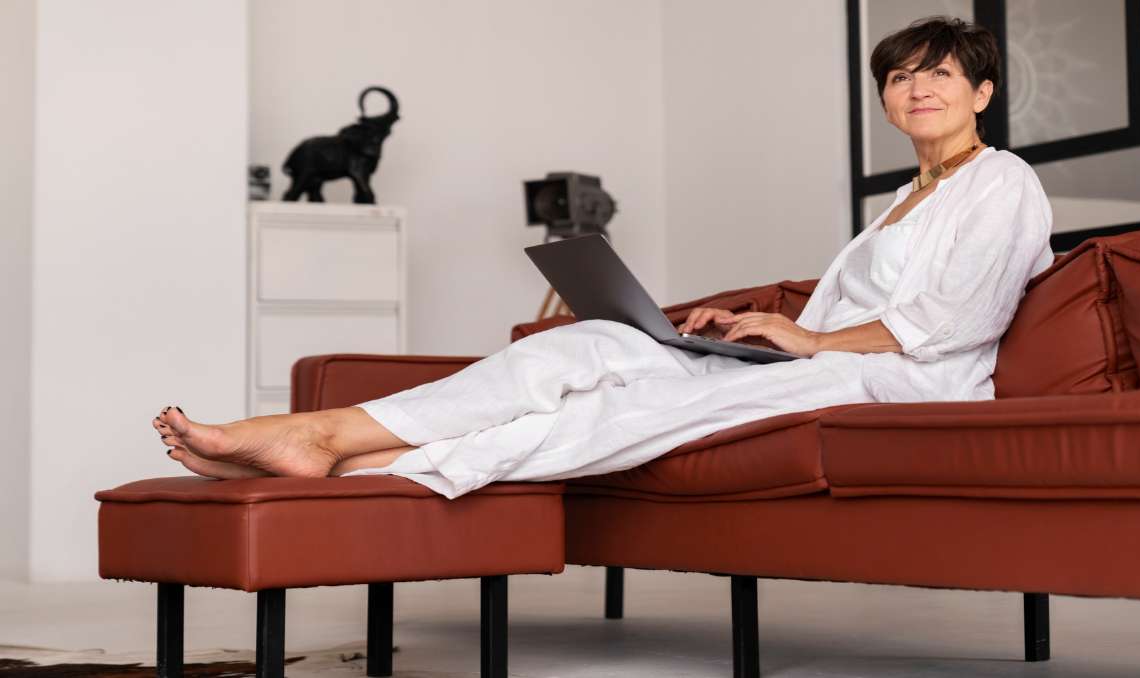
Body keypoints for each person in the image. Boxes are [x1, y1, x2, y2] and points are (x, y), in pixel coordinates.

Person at [153, 16, 1053, 499]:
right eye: (901, 76)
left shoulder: (1001, 183)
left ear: (981, 92)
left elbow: (951, 326)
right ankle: (333, 435)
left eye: (940, 73)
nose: (918, 87)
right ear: (887, 103)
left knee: (638, 396)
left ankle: (356, 465)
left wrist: (811, 345)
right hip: (829, 364)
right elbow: (834, 320)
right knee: (580, 348)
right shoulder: (901, 201)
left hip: (909, 385)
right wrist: (746, 329)